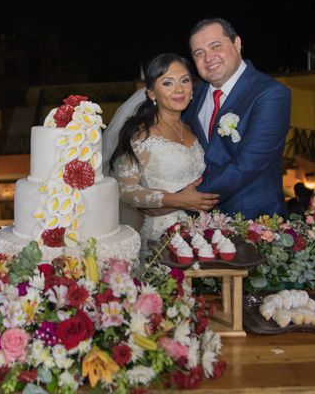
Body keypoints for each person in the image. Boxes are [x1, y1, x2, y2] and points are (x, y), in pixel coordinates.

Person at [107, 53, 219, 256]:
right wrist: (177, 200)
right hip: (160, 238)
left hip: (199, 231)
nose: (179, 89)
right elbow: (125, 189)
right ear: (151, 93)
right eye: (168, 83)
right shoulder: (143, 134)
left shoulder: (192, 129)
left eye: (185, 80)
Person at [182, 18, 291, 219]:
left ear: (237, 44)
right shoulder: (193, 95)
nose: (208, 58)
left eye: (215, 46)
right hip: (201, 225)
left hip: (254, 221)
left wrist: (183, 199)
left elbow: (248, 165)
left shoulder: (271, 94)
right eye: (199, 53)